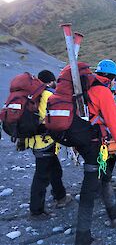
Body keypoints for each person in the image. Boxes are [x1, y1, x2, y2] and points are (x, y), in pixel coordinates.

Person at [74, 60, 116, 244]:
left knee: (104, 176)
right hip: (95, 144)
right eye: (115, 79)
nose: (115, 83)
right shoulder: (102, 91)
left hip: (80, 141)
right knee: (89, 190)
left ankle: (115, 214)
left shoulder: (82, 88)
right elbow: (115, 125)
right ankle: (82, 238)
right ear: (111, 78)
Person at [27, 70, 72, 220]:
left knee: (55, 169)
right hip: (44, 141)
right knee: (41, 176)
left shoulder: (33, 95)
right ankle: (36, 211)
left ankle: (60, 197)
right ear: (51, 81)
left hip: (35, 140)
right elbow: (51, 119)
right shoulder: (47, 95)